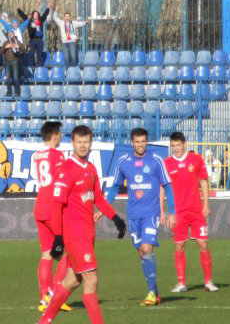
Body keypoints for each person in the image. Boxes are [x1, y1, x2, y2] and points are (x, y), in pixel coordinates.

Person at [38, 125, 127, 323]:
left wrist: (116, 218)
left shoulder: (90, 168)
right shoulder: (66, 169)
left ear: (91, 142)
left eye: (86, 142)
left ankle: (44, 321)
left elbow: (99, 199)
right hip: (75, 234)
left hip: (88, 233)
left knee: (72, 280)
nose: (83, 145)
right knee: (91, 279)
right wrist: (59, 237)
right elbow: (56, 205)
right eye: (79, 142)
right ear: (72, 143)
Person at [104, 127, 176, 306]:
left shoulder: (156, 160)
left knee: (146, 249)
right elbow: (114, 187)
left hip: (151, 213)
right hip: (133, 215)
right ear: (131, 143)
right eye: (137, 142)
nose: (141, 145)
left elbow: (167, 185)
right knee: (142, 254)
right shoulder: (124, 161)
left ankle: (151, 293)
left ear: (146, 142)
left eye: (143, 141)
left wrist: (171, 212)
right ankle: (155, 292)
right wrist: (104, 207)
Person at [163, 132, 218, 293]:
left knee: (202, 244)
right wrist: (162, 210)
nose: (176, 148)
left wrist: (206, 204)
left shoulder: (196, 160)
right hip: (178, 212)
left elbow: (203, 181)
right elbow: (162, 187)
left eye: (178, 145)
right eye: (173, 146)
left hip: (196, 210)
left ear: (185, 144)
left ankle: (208, 281)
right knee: (179, 246)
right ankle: (181, 283)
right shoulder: (167, 163)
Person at [31, 121, 71, 313]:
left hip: (39, 206)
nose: (62, 136)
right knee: (68, 252)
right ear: (55, 135)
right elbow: (62, 182)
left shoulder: (36, 156)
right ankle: (55, 294)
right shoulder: (58, 155)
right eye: (61, 133)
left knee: (46, 253)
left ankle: (43, 298)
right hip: (54, 208)